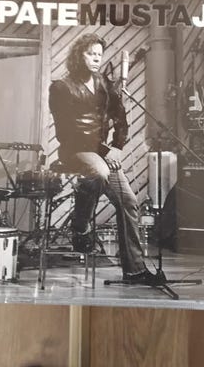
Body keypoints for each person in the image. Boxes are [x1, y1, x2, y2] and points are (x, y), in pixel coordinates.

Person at [49, 33, 155, 284]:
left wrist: (117, 146)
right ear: (79, 56)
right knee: (99, 171)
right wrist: (106, 152)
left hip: (102, 152)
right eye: (91, 54)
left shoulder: (104, 84)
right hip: (74, 150)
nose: (97, 59)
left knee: (129, 202)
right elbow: (67, 133)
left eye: (99, 54)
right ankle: (80, 227)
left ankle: (135, 270)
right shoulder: (61, 87)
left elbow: (121, 119)